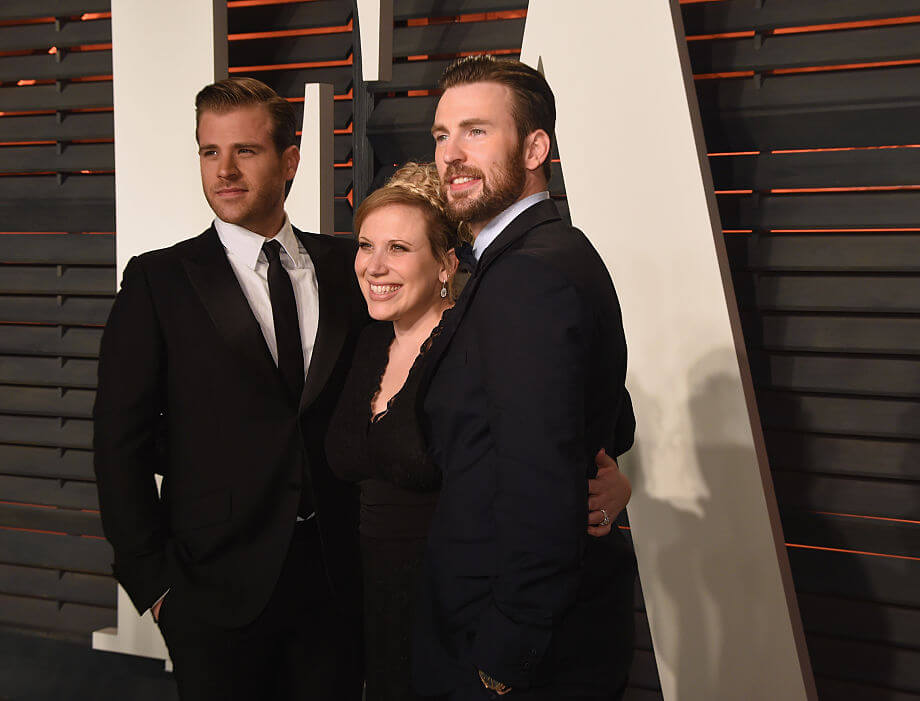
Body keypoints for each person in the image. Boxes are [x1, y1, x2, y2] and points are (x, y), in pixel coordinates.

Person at [92, 77, 367, 701]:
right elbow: (118, 443)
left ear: (288, 160)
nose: (224, 171)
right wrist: (155, 587)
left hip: (336, 578)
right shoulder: (158, 282)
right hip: (211, 588)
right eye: (209, 152)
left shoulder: (348, 267)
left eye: (244, 150)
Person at [326, 163, 633, 701]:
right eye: (366, 245)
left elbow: (588, 419)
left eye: (399, 248)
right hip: (366, 601)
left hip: (453, 605)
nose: (375, 265)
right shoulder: (365, 340)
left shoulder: (479, 334)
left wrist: (609, 486)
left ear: (446, 264)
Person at [413, 56, 637, 700]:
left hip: (509, 645)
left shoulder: (527, 275)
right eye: (440, 135)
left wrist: (506, 655)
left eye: (476, 131)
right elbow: (609, 413)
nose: (451, 154)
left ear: (536, 147)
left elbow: (536, 475)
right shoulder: (552, 250)